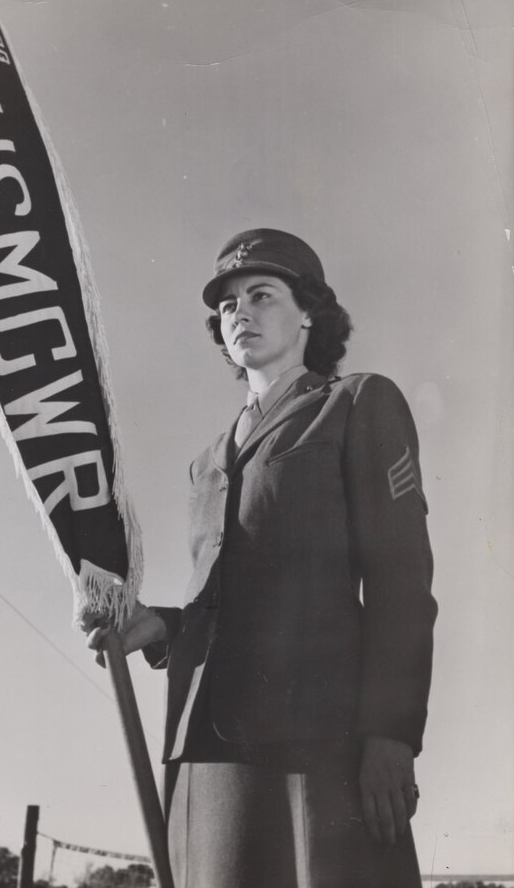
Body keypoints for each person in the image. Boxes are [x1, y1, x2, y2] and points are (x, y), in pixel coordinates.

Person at [85, 228, 437, 888]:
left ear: (308, 312)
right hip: (205, 750)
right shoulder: (205, 461)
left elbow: (400, 584)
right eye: (226, 305)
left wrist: (391, 733)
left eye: (261, 294)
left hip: (317, 745)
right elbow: (224, 599)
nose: (238, 312)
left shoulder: (355, 403)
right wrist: (158, 626)